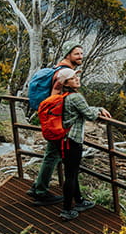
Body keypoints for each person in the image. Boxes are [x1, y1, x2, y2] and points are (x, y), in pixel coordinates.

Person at [50, 67, 112, 220]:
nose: (77, 79)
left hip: (62, 139)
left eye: (76, 77)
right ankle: (66, 210)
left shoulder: (62, 96)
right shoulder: (76, 97)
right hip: (72, 140)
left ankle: (79, 201)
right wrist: (99, 110)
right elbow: (90, 115)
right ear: (66, 83)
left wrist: (96, 108)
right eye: (73, 78)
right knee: (71, 174)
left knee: (71, 172)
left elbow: (81, 111)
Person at [28, 41, 85, 205]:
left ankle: (38, 186)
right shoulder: (66, 72)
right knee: (52, 156)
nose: (80, 56)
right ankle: (40, 192)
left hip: (52, 120)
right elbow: (55, 97)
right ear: (68, 55)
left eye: (81, 53)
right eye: (76, 54)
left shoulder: (59, 68)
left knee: (51, 155)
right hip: (57, 122)